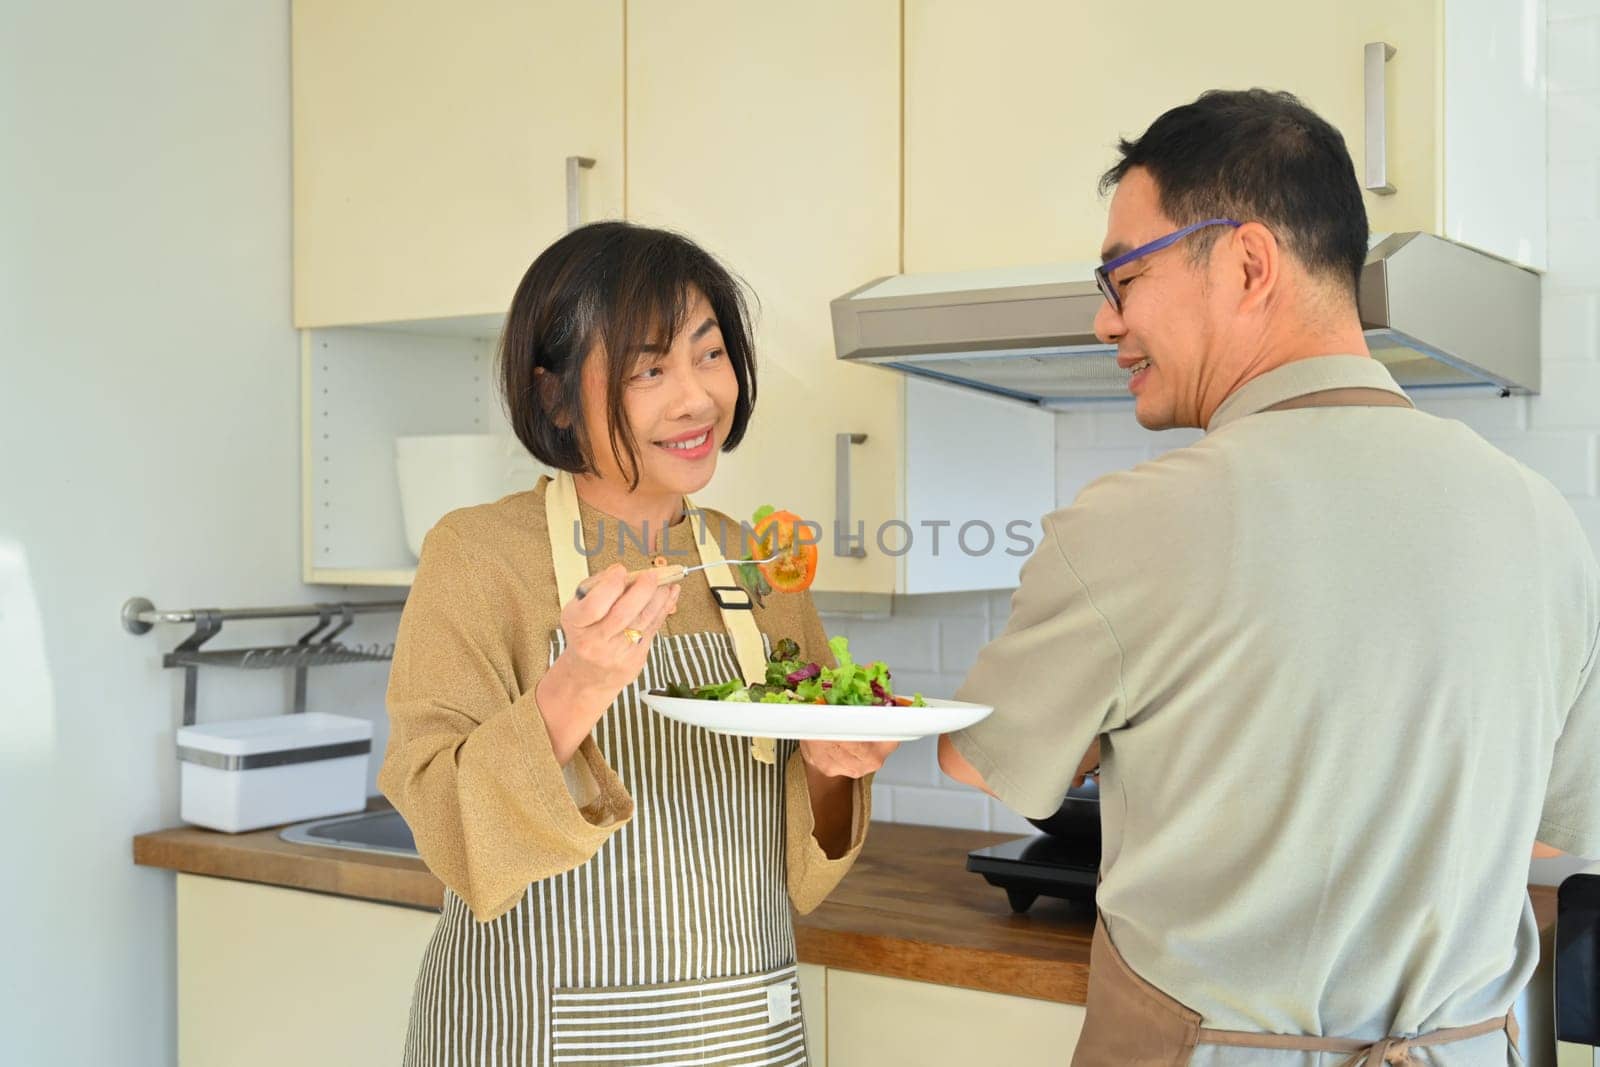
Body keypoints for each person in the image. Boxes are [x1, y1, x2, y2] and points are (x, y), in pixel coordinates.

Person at [939, 89, 1600, 1066]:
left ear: (1247, 262)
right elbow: (1554, 837)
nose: (1102, 318)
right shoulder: (1542, 518)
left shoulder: (1129, 524)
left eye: (1121, 275)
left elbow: (981, 763)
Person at [380, 221, 893, 1066]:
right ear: (553, 397)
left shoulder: (756, 558)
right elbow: (446, 825)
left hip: (738, 1032)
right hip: (536, 1035)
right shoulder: (475, 555)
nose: (695, 398)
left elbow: (807, 864)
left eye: (710, 354)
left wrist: (835, 768)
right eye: (648, 370)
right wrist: (577, 683)